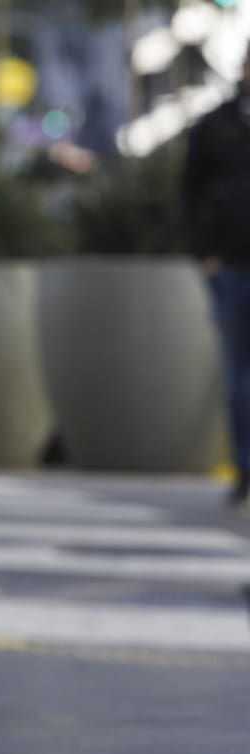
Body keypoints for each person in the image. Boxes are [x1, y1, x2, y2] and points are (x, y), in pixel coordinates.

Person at [183, 48, 250, 508]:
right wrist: (204, 253)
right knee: (238, 379)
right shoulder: (216, 124)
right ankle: (246, 469)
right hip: (230, 267)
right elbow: (190, 190)